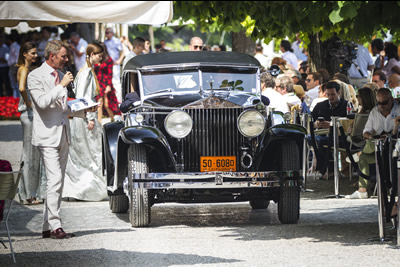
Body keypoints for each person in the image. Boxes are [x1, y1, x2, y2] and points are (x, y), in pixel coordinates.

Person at [28, 40, 92, 239]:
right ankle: (56, 226)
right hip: (46, 136)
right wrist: (61, 85)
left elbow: (63, 108)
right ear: (52, 56)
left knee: (57, 182)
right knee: (54, 180)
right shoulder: (35, 76)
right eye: (63, 56)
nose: (67, 59)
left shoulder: (62, 75)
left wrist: (85, 110)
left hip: (63, 134)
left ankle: (47, 226)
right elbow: (42, 103)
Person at [63, 42, 107, 202]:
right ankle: (84, 189)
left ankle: (78, 189)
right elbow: (83, 97)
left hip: (81, 116)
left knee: (82, 153)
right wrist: (89, 118)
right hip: (85, 116)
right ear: (91, 55)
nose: (100, 58)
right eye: (99, 55)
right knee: (90, 153)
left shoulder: (84, 71)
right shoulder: (87, 72)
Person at [16, 41, 46, 205]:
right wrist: (28, 102)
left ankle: (27, 193)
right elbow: (21, 88)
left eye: (36, 53)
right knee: (30, 153)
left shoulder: (24, 69)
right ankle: (28, 194)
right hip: (28, 114)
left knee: (31, 152)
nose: (35, 56)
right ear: (25, 53)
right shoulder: (24, 69)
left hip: (28, 114)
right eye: (33, 53)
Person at [311, 81, 348, 176]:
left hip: (340, 136)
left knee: (319, 141)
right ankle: (326, 168)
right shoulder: (320, 106)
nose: (330, 97)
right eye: (328, 94)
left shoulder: (346, 106)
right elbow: (311, 122)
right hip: (322, 134)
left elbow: (348, 124)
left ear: (339, 92)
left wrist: (332, 124)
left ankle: (325, 169)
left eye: (333, 94)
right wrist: (317, 124)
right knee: (312, 138)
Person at [345, 87, 376, 199]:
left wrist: (349, 133)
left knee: (362, 156)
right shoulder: (372, 111)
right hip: (368, 144)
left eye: (358, 96)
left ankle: (362, 188)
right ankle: (362, 187)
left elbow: (356, 135)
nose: (357, 98)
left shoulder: (364, 114)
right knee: (363, 157)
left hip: (361, 142)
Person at [94, 42, 121, 123]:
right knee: (99, 104)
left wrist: (108, 85)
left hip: (105, 84)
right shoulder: (96, 59)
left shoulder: (108, 60)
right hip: (98, 83)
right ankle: (99, 122)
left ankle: (113, 120)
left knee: (107, 104)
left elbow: (110, 74)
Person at [104, 27, 124, 103]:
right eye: (106, 33)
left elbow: (123, 51)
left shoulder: (116, 41)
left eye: (108, 32)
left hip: (115, 64)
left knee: (116, 81)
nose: (107, 34)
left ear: (112, 33)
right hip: (107, 64)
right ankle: (111, 100)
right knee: (109, 81)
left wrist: (119, 60)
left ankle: (119, 100)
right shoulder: (105, 42)